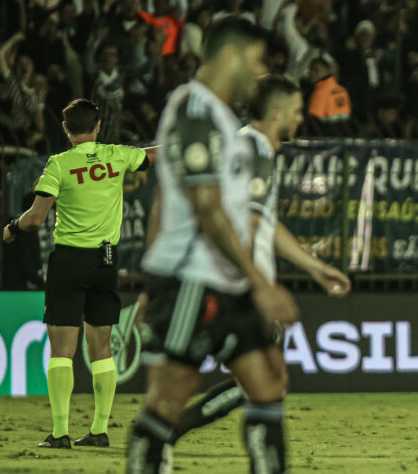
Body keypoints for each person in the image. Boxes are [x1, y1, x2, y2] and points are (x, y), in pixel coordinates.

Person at [127, 18, 298, 474]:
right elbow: (206, 207)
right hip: (190, 277)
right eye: (258, 60)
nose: (260, 73)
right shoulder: (195, 110)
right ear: (232, 56)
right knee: (167, 400)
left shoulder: (222, 118)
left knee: (268, 383)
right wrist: (261, 283)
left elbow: (167, 197)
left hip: (224, 277)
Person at [166, 75, 352, 444]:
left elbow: (265, 222)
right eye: (298, 111)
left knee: (262, 380)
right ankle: (165, 431)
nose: (302, 118)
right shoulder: (255, 152)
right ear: (277, 112)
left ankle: (164, 430)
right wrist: (259, 287)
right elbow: (248, 227)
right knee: (267, 381)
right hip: (239, 284)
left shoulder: (248, 148)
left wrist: (315, 267)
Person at [2, 98, 158, 448]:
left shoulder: (58, 164)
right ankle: (100, 431)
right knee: (101, 349)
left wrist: (12, 227)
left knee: (62, 350)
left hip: (69, 261)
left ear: (65, 129)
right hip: (107, 260)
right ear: (98, 127)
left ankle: (60, 433)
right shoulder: (116, 155)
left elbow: (36, 218)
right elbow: (154, 155)